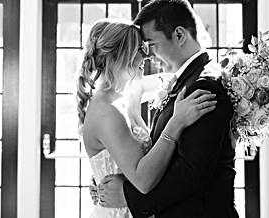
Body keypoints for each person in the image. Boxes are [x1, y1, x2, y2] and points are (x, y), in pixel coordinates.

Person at [94, 0, 239, 218]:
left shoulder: (203, 86)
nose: (148, 55)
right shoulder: (186, 80)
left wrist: (128, 196)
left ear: (179, 35)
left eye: (151, 44)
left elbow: (193, 172)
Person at [77, 18, 216, 218]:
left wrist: (240, 80)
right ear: (121, 54)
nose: (148, 56)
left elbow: (181, 75)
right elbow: (143, 181)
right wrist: (176, 122)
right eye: (140, 49)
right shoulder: (106, 111)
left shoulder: (128, 92)